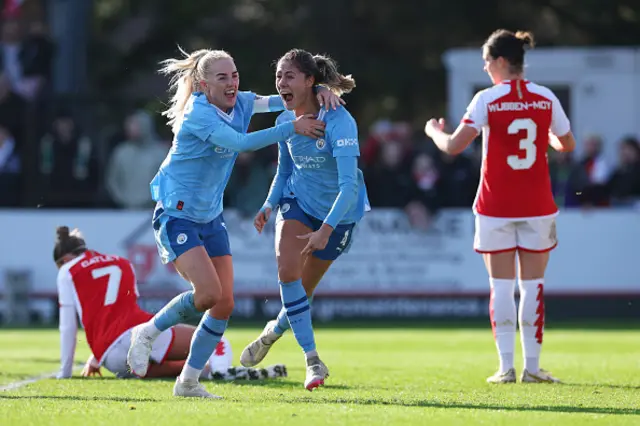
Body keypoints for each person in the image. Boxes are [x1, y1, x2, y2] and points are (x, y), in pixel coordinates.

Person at [126, 48, 343, 399]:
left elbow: (280, 101)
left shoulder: (241, 102)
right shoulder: (198, 115)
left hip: (211, 217)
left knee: (224, 304)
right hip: (176, 214)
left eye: (235, 75)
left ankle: (188, 382)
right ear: (202, 85)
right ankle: (147, 332)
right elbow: (241, 143)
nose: (232, 83)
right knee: (208, 294)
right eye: (222, 77)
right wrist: (292, 128)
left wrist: (317, 91)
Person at [423, 30, 576, 384]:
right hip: (538, 205)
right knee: (534, 285)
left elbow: (453, 146)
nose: (485, 66)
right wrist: (545, 139)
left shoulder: (487, 99)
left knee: (502, 287)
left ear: (502, 62)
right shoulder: (545, 97)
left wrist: (433, 131)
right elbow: (566, 143)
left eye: (488, 60)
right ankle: (533, 368)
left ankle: (506, 367)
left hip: (495, 206)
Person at [239, 49, 370, 391]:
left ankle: (273, 332)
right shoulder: (285, 121)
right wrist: (269, 204)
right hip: (298, 204)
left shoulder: (340, 121)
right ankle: (313, 361)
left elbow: (347, 186)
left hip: (339, 216)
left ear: (310, 81)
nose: (281, 82)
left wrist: (326, 230)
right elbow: (284, 170)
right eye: (279, 76)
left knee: (302, 294)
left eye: (289, 76)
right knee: (288, 274)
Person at [53, 226, 287, 383]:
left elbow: (69, 327)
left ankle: (211, 372)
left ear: (64, 259)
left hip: (111, 358)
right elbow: (120, 310)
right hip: (136, 335)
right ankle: (220, 370)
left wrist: (72, 371)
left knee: (164, 368)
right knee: (216, 341)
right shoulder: (122, 262)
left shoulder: (67, 271)